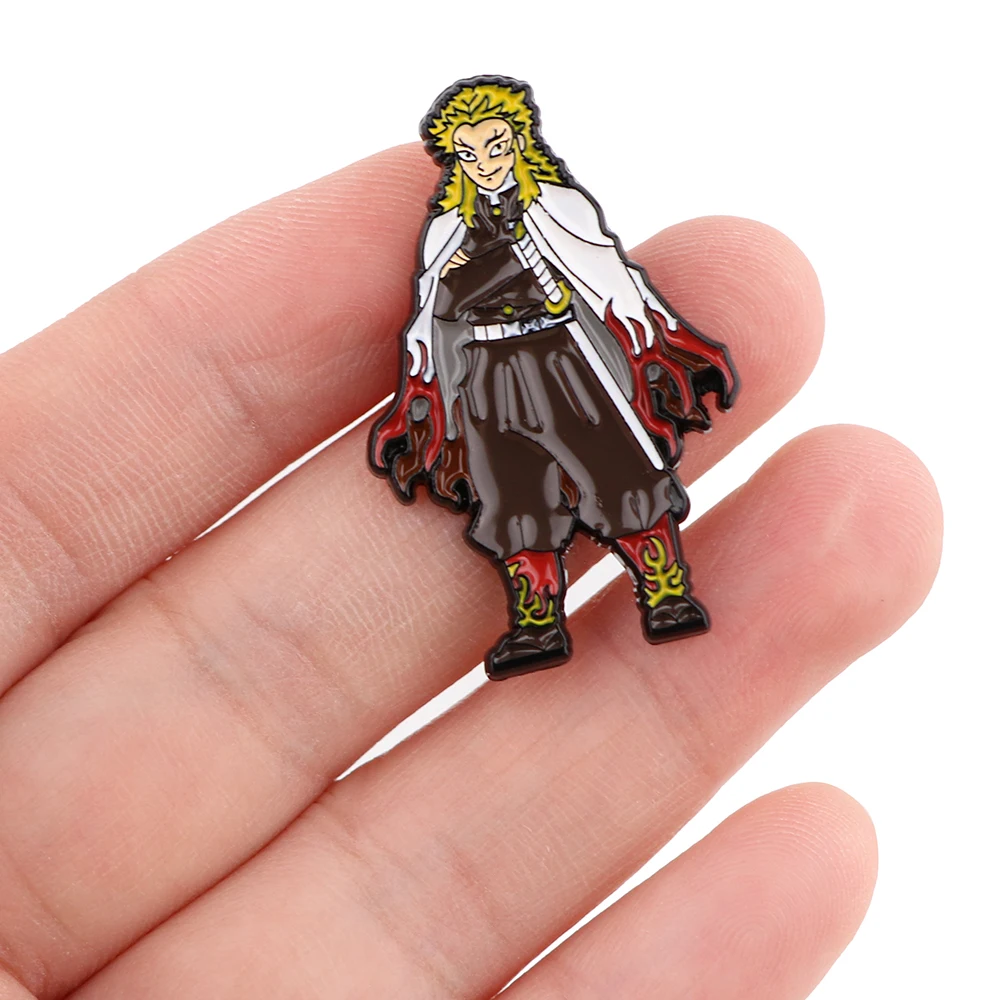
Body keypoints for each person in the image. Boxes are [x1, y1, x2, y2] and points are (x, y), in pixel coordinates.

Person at [370, 77, 739, 679]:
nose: (485, 162)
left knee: (616, 469)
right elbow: (434, 311)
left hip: (561, 358)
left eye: (496, 146)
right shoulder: (445, 231)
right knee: (511, 489)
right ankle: (537, 624)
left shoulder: (556, 207)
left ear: (520, 141)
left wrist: (648, 337)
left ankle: (666, 594)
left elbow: (607, 274)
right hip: (485, 372)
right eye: (468, 152)